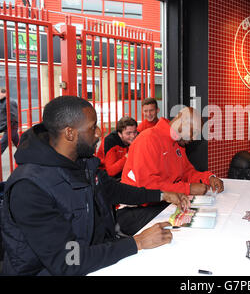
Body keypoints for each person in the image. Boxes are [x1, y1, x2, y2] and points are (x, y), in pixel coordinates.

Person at [1, 96, 189, 275]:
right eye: (92, 128)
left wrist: (162, 194)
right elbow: (68, 259)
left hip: (94, 256)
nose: (99, 132)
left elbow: (115, 190)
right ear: (69, 133)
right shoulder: (30, 188)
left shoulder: (82, 162)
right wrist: (137, 243)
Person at [122, 107, 224, 196]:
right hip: (137, 206)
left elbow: (187, 173)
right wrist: (188, 189)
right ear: (182, 122)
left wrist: (209, 178)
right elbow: (147, 186)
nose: (194, 138)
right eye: (193, 132)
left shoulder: (178, 143)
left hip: (163, 199)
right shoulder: (148, 139)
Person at [0, 87, 19, 154]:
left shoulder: (10, 102)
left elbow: (12, 117)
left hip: (11, 127)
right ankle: (30, 156)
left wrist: (2, 127)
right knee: (19, 144)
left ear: (4, 93)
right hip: (8, 127)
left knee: (1, 145)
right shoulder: (2, 102)